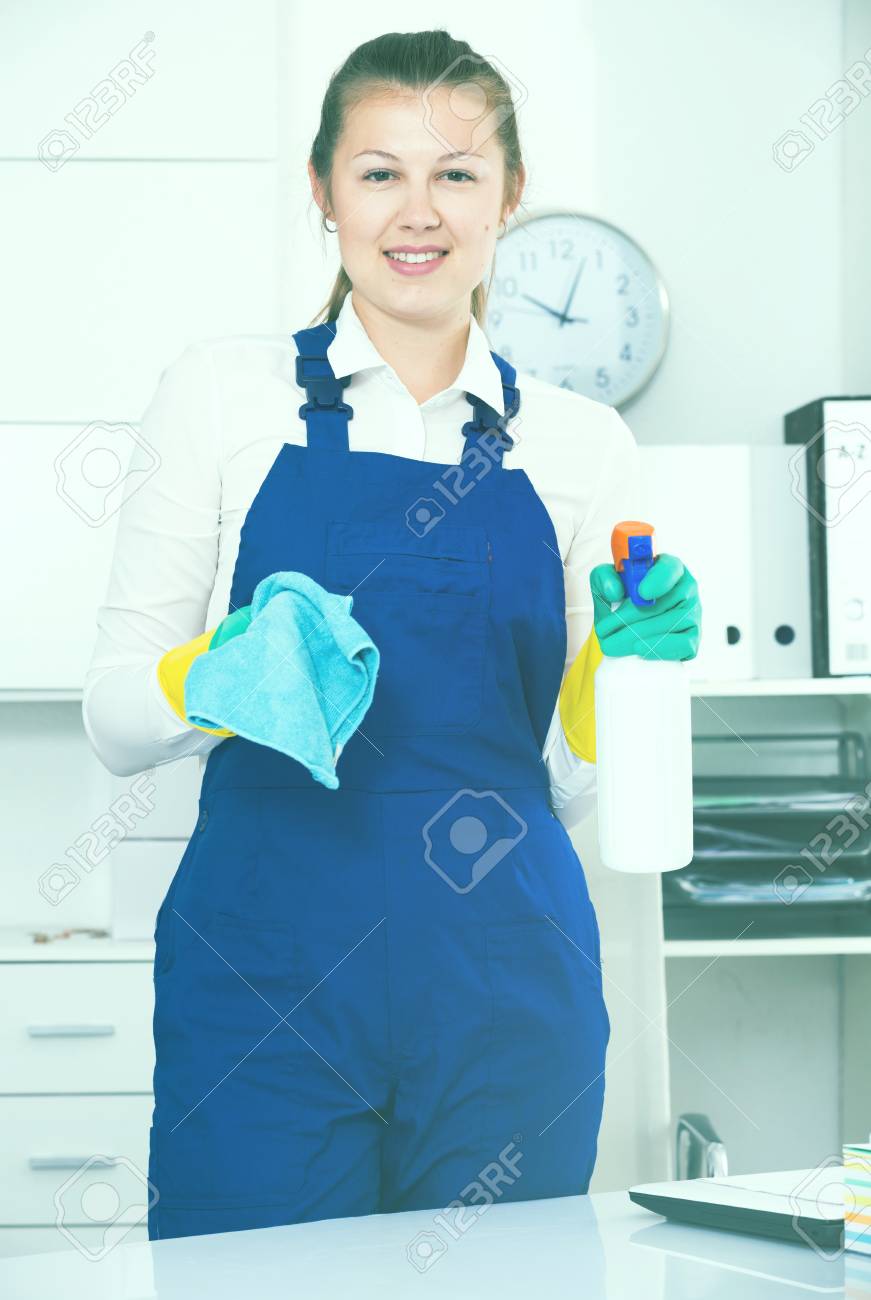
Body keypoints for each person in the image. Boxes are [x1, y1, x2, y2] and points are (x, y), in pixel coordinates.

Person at [83, 29, 700, 1242]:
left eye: (458, 174)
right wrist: (217, 675)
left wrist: (610, 681)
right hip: (263, 986)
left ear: (507, 199)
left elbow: (571, 785)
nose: (417, 212)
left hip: (505, 984)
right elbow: (111, 716)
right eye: (379, 173)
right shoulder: (222, 394)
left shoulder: (582, 445)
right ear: (323, 192)